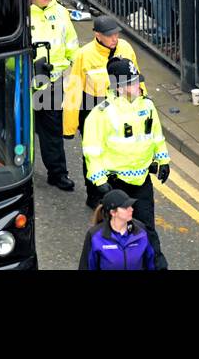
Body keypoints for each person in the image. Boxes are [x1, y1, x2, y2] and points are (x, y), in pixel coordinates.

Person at [83, 57, 171, 269]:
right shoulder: (101, 114)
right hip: (115, 184)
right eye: (132, 82)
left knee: (147, 229)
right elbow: (92, 150)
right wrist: (100, 181)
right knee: (114, 232)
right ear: (119, 86)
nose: (137, 85)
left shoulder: (147, 105)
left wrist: (163, 160)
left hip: (141, 180)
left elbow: (156, 136)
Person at [64, 15, 141, 207]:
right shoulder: (85, 55)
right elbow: (74, 89)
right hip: (93, 108)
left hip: (119, 106)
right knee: (92, 154)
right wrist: (69, 126)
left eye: (116, 34)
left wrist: (140, 103)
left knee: (117, 150)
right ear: (97, 35)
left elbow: (136, 78)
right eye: (109, 35)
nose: (114, 38)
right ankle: (94, 196)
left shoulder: (126, 48)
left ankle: (117, 194)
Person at [28, 0, 79, 191]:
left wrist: (69, 68)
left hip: (51, 83)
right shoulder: (21, 13)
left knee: (52, 131)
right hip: (24, 81)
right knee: (22, 129)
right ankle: (18, 172)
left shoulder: (60, 11)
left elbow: (72, 45)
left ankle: (57, 173)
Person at [78, 188, 157, 270]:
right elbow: (86, 267)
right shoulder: (95, 236)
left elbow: (152, 262)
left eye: (130, 206)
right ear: (113, 212)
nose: (131, 209)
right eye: (126, 207)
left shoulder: (141, 231)